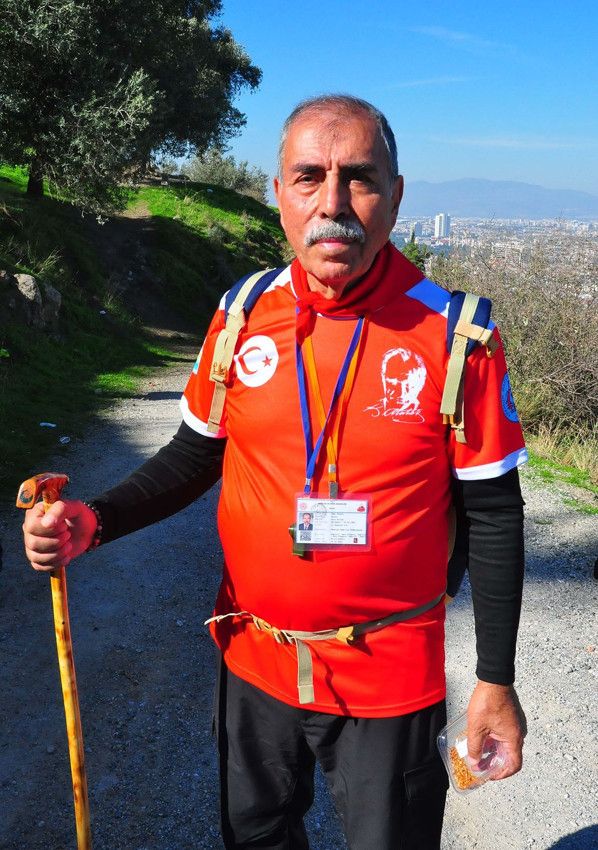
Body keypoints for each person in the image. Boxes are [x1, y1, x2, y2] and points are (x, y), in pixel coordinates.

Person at [22, 94, 527, 850]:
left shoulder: (458, 337)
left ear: (395, 196)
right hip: (253, 658)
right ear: (279, 193)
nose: (333, 203)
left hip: (388, 676)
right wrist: (97, 519)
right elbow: (196, 453)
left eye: (360, 178)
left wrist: (494, 680)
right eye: (309, 176)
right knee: (255, 835)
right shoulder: (242, 313)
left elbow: (493, 516)